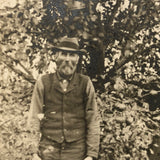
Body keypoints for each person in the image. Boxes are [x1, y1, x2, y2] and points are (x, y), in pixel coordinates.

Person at [27, 37, 100, 160]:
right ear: (55, 57)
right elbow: (34, 117)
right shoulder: (43, 82)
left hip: (77, 151)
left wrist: (91, 155)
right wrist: (34, 153)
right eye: (63, 54)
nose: (67, 59)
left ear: (77, 59)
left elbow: (93, 120)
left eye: (72, 55)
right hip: (48, 150)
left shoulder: (85, 83)